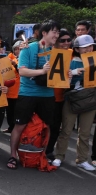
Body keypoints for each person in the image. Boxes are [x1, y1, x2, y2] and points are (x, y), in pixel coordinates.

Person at [7, 20, 61, 170]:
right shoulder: (29, 48)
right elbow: (22, 71)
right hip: (28, 93)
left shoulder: (56, 52)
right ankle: (13, 155)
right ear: (44, 33)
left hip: (48, 94)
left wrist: (66, 74)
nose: (56, 35)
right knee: (19, 125)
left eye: (58, 32)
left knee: (47, 126)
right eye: (54, 31)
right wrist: (42, 71)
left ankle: (42, 155)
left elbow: (58, 76)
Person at [52, 35, 96, 171]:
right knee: (66, 129)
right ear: (77, 48)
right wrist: (74, 72)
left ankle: (82, 159)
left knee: (85, 132)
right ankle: (59, 156)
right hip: (73, 99)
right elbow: (61, 78)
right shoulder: (71, 61)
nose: (88, 49)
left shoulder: (95, 60)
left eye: (90, 46)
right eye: (84, 47)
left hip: (90, 99)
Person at [45, 29, 72, 158]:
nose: (66, 43)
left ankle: (49, 151)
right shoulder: (47, 53)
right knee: (44, 126)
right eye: (62, 40)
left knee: (56, 127)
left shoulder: (72, 54)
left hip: (63, 98)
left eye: (68, 40)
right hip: (47, 96)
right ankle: (39, 150)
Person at [3, 40, 23, 134]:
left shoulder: (24, 59)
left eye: (19, 49)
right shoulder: (9, 58)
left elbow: (23, 73)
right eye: (16, 49)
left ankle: (16, 129)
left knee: (17, 112)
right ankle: (11, 127)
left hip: (19, 91)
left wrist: (16, 65)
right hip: (9, 89)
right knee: (9, 111)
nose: (17, 51)